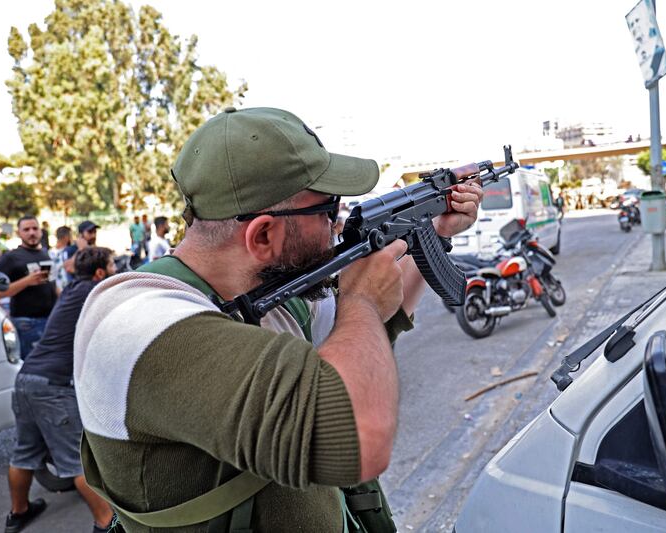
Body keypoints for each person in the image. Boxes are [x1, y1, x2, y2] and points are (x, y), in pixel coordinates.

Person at [74, 107, 482, 532]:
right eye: (328, 210)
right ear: (264, 235)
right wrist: (359, 298)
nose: (336, 225)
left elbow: (363, 341)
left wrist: (430, 233)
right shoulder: (137, 324)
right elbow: (360, 438)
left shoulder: (272, 296)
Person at [5, 247, 116, 533]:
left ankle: (19, 513)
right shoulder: (96, 291)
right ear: (100, 272)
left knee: (24, 453)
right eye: (113, 265)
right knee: (76, 460)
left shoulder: (72, 289)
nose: (116, 269)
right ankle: (106, 524)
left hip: (26, 378)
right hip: (53, 386)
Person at [0, 216, 56, 360]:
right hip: (26, 323)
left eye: (35, 228)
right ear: (19, 233)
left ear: (41, 232)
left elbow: (53, 285)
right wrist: (27, 281)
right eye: (26, 229)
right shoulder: (10, 258)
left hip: (51, 319)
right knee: (32, 364)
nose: (31, 232)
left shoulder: (45, 254)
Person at [51, 226, 73, 292]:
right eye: (71, 236)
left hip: (56, 289)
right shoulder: (68, 252)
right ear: (66, 237)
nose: (72, 238)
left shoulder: (49, 253)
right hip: (66, 289)